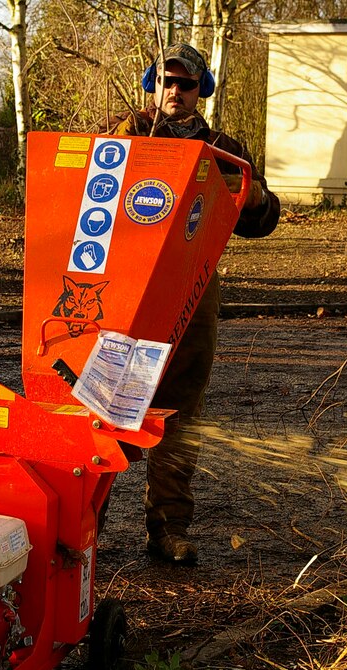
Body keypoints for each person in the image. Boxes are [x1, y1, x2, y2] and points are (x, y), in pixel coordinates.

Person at [106, 43, 281, 564]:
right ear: (151, 85)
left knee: (182, 410)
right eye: (165, 81)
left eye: (185, 83)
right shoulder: (128, 133)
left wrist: (255, 198)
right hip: (125, 289)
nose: (174, 91)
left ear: (200, 88)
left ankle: (168, 529)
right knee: (108, 402)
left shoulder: (225, 148)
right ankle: (81, 525)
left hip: (195, 288)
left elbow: (264, 218)